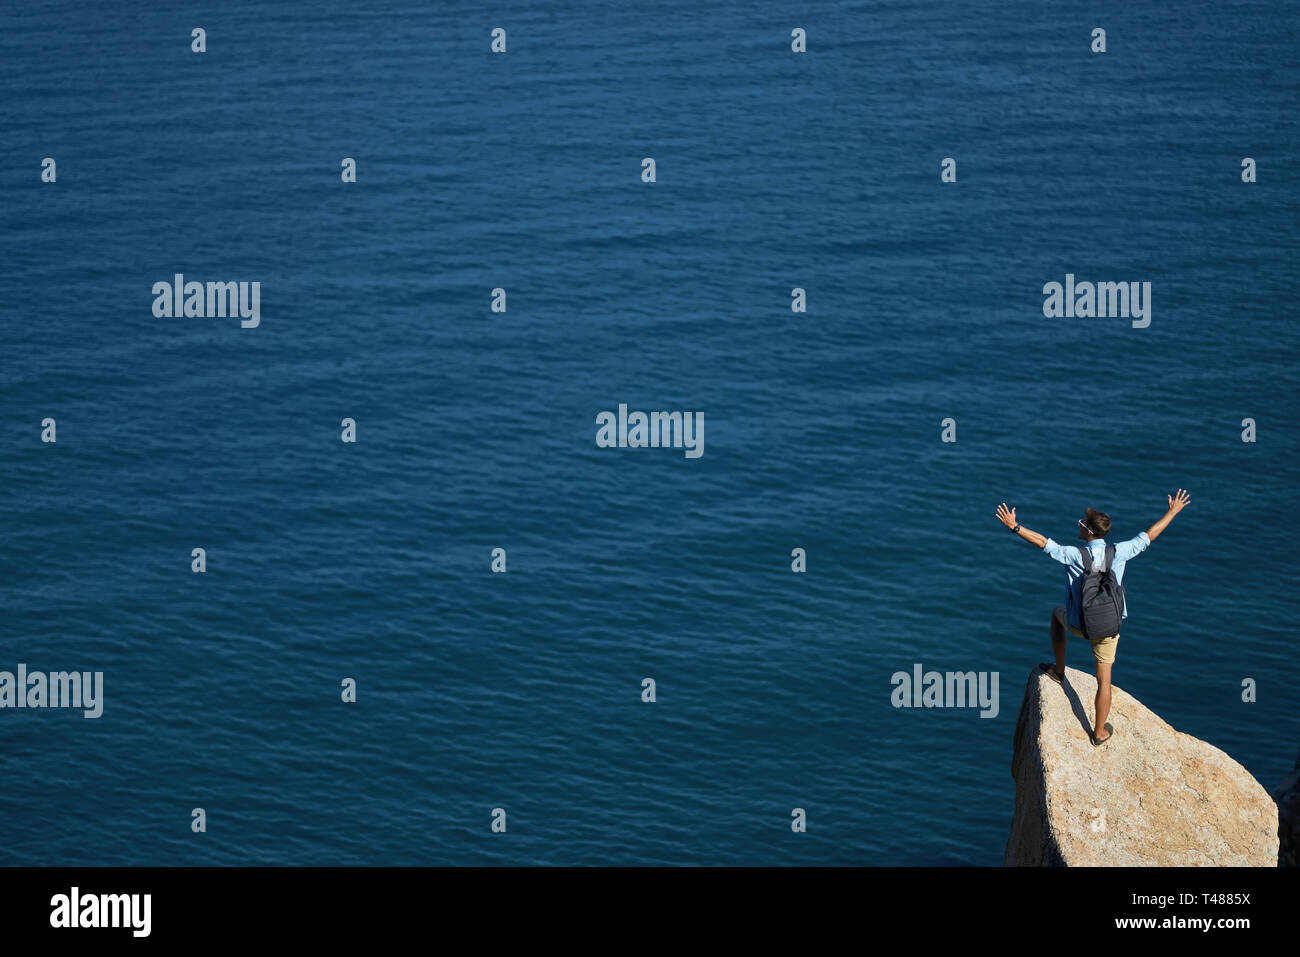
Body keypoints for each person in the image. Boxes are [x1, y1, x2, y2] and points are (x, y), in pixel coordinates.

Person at [994, 491, 1191, 745]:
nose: (1078, 524)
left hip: (1079, 625)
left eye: (1080, 523)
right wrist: (1172, 512)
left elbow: (1043, 542)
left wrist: (1015, 527)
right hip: (1109, 627)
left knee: (1057, 615)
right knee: (1104, 680)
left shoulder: (1074, 555)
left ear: (1088, 531)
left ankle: (1059, 670)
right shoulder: (1119, 551)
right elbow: (1149, 536)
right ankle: (1098, 733)